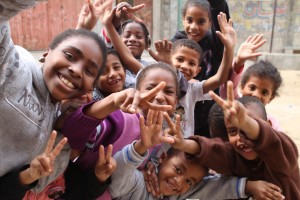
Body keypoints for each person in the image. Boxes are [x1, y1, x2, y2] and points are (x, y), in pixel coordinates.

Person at [0, 0, 108, 195]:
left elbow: (18, 187)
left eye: (89, 71)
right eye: (70, 56)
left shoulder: (59, 127)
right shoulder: (14, 68)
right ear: (46, 53)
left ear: (90, 87)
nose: (76, 70)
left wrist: (28, 176)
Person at [165, 81, 300, 200]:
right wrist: (183, 144)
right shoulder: (235, 159)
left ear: (268, 125)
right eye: (232, 131)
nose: (241, 137)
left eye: (246, 128)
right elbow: (212, 150)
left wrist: (247, 123)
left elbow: (273, 142)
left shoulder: (282, 157)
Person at [171, 0, 231, 137]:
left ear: (210, 22)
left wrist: (218, 4)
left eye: (201, 22)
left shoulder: (214, 43)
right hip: (180, 115)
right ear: (183, 20)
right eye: (189, 20)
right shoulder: (174, 45)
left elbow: (222, 27)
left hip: (207, 115)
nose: (194, 27)